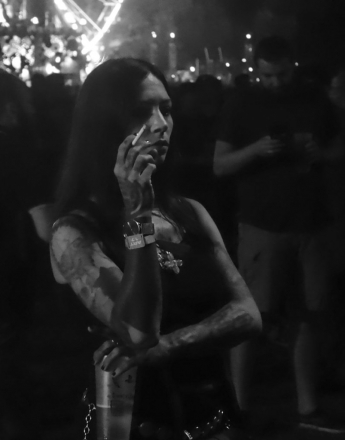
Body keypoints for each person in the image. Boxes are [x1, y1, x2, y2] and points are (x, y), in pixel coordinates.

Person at [49, 58, 261, 440]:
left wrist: (172, 344)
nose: (161, 124)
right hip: (132, 422)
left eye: (166, 108)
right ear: (104, 126)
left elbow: (248, 313)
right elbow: (138, 332)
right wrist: (138, 215)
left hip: (212, 418)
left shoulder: (189, 212)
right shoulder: (75, 232)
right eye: (141, 112)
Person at [213, 35, 345, 434]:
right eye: (268, 76)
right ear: (257, 69)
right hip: (263, 225)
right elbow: (220, 164)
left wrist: (321, 153)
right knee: (251, 318)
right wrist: (257, 150)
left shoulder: (315, 99)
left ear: (293, 66)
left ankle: (307, 406)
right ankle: (239, 407)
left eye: (282, 74)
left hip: (310, 223)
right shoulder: (241, 103)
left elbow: (339, 143)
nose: (275, 82)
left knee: (308, 315)